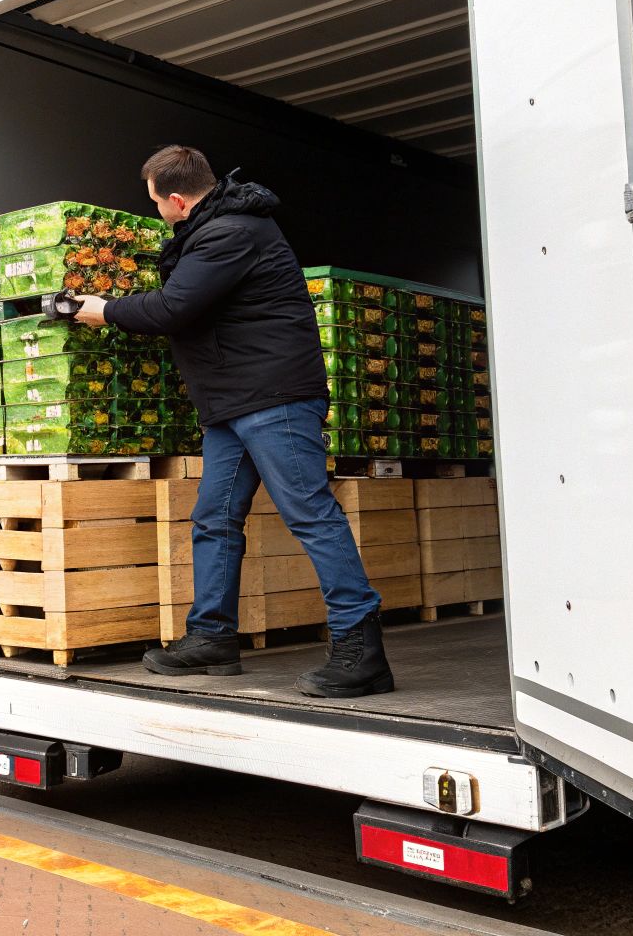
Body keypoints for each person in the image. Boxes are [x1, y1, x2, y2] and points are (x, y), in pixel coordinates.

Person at [73, 145, 394, 697]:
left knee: (309, 513)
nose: (158, 214)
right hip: (232, 404)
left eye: (156, 204)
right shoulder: (217, 230)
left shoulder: (231, 233)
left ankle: (361, 649)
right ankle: (212, 636)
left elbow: (175, 307)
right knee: (214, 518)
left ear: (177, 199)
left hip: (274, 399)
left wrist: (104, 309)